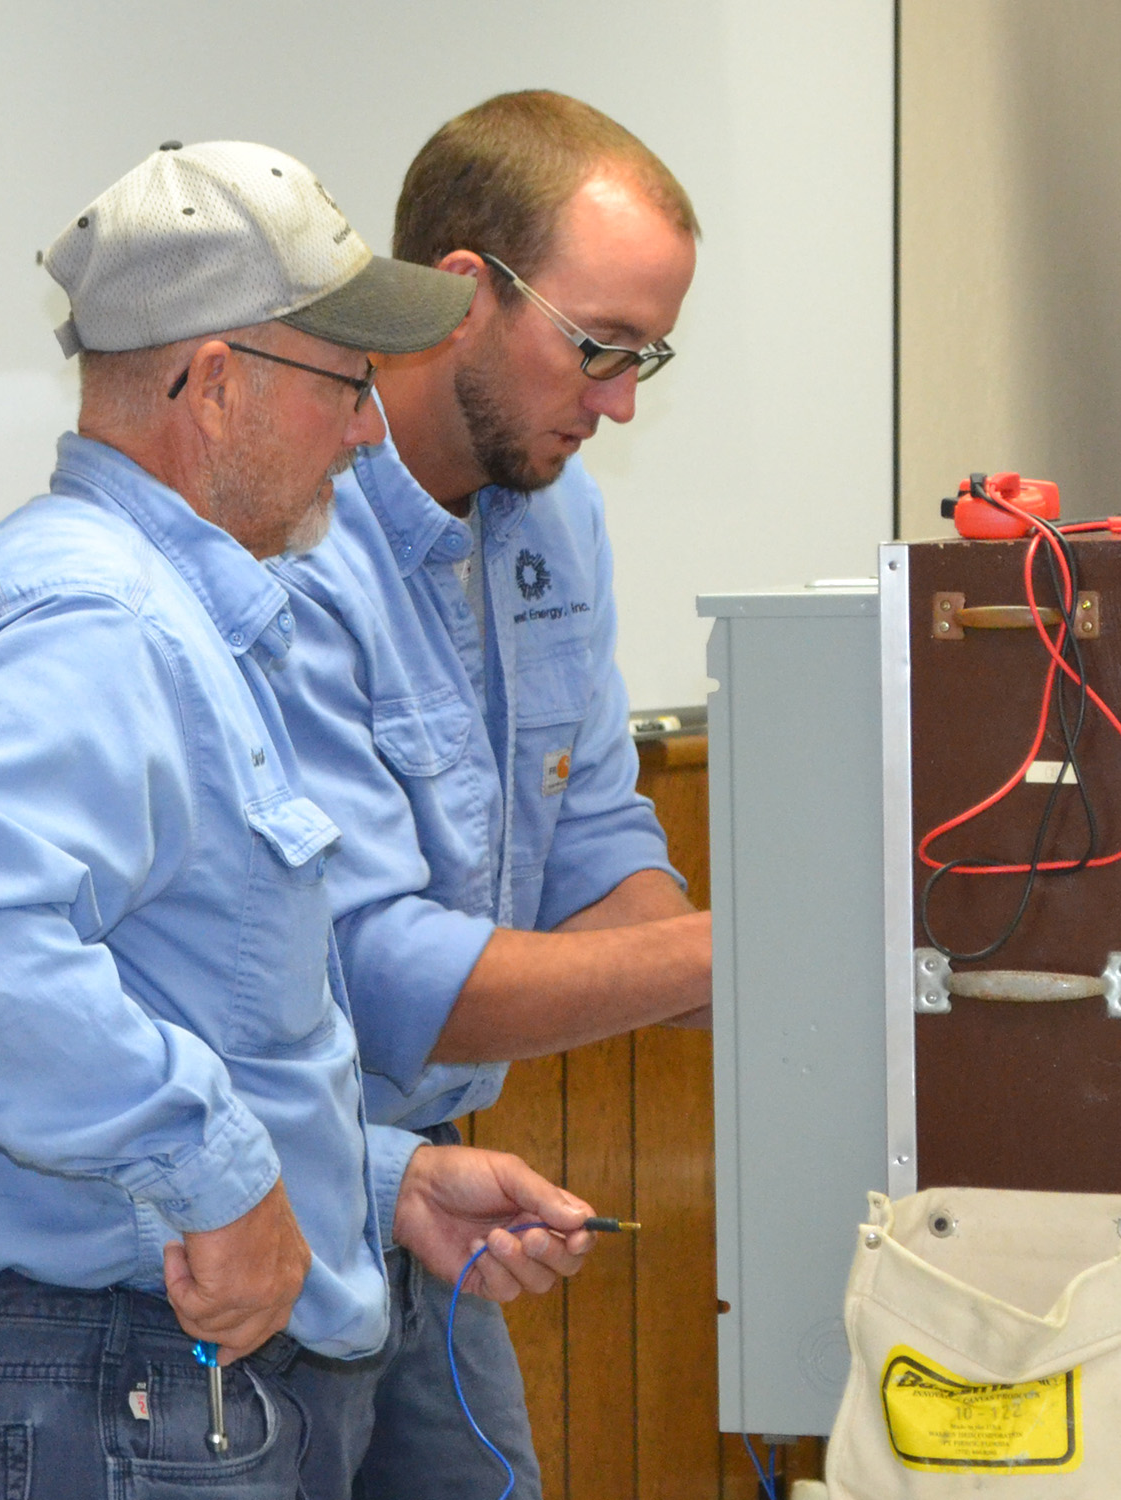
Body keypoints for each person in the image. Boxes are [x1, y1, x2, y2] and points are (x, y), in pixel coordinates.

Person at [0, 140, 608, 1500]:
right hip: (106, 1388)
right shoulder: (93, 623)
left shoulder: (170, 621)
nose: (371, 429)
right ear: (213, 383)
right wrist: (226, 1172)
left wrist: (374, 1189)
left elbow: (189, 1000)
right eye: (347, 383)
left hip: (137, 1379)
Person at [269, 91, 710, 1499]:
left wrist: (742, 977)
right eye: (598, 348)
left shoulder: (557, 511)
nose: (622, 403)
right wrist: (727, 961)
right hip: (261, 1195)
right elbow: (387, 975)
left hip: (432, 1184)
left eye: (650, 358)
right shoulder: (291, 537)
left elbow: (597, 843)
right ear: (463, 292)